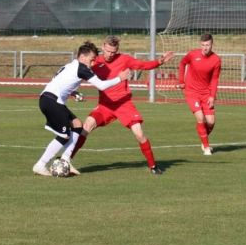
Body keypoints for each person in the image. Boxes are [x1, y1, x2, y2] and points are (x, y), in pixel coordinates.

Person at [69, 35, 175, 175]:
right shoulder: (95, 62)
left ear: (117, 50)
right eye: (107, 51)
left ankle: (153, 166)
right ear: (103, 47)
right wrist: (74, 92)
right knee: (86, 127)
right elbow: (75, 76)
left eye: (113, 52)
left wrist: (159, 61)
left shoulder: (124, 59)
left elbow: (143, 65)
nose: (110, 54)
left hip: (124, 104)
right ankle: (67, 159)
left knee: (139, 134)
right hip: (105, 106)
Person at [33, 41, 130, 177]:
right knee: (64, 135)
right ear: (83, 57)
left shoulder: (69, 65)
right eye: (91, 60)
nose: (92, 64)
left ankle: (66, 159)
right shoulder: (82, 68)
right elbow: (101, 86)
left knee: (78, 125)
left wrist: (73, 93)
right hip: (52, 101)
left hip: (50, 99)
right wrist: (119, 78)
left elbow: (57, 80)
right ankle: (40, 165)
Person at [177, 33, 221, 155]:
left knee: (211, 122)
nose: (205, 48)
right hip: (192, 92)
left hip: (206, 94)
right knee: (200, 117)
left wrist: (212, 96)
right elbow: (182, 63)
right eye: (203, 45)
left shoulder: (216, 60)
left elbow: (214, 79)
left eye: (207, 45)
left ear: (212, 44)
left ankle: (203, 139)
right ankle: (206, 147)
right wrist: (181, 81)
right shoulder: (192, 54)